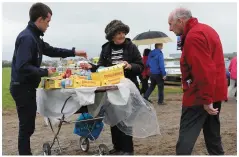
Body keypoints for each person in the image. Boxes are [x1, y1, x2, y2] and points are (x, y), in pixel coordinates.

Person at [10, 2, 86, 155]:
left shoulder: (35, 37)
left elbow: (51, 50)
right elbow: (23, 66)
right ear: (40, 19)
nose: (48, 25)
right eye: (48, 21)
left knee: (28, 126)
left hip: (27, 86)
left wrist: (74, 51)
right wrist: (45, 71)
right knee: (26, 126)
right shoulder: (27, 38)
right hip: (22, 87)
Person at [168, 7, 227, 155]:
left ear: (180, 21)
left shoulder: (193, 37)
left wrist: (206, 100)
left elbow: (203, 70)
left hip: (199, 94)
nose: (170, 29)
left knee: (187, 135)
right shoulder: (207, 30)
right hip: (214, 90)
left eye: (171, 24)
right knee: (212, 134)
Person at [80, 19, 144, 155]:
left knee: (126, 119)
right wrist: (92, 67)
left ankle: (127, 150)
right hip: (110, 90)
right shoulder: (106, 48)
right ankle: (117, 147)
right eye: (118, 33)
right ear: (112, 35)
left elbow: (140, 66)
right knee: (114, 118)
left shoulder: (131, 47)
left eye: (123, 32)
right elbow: (102, 68)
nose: (122, 35)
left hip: (127, 89)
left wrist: (130, 66)